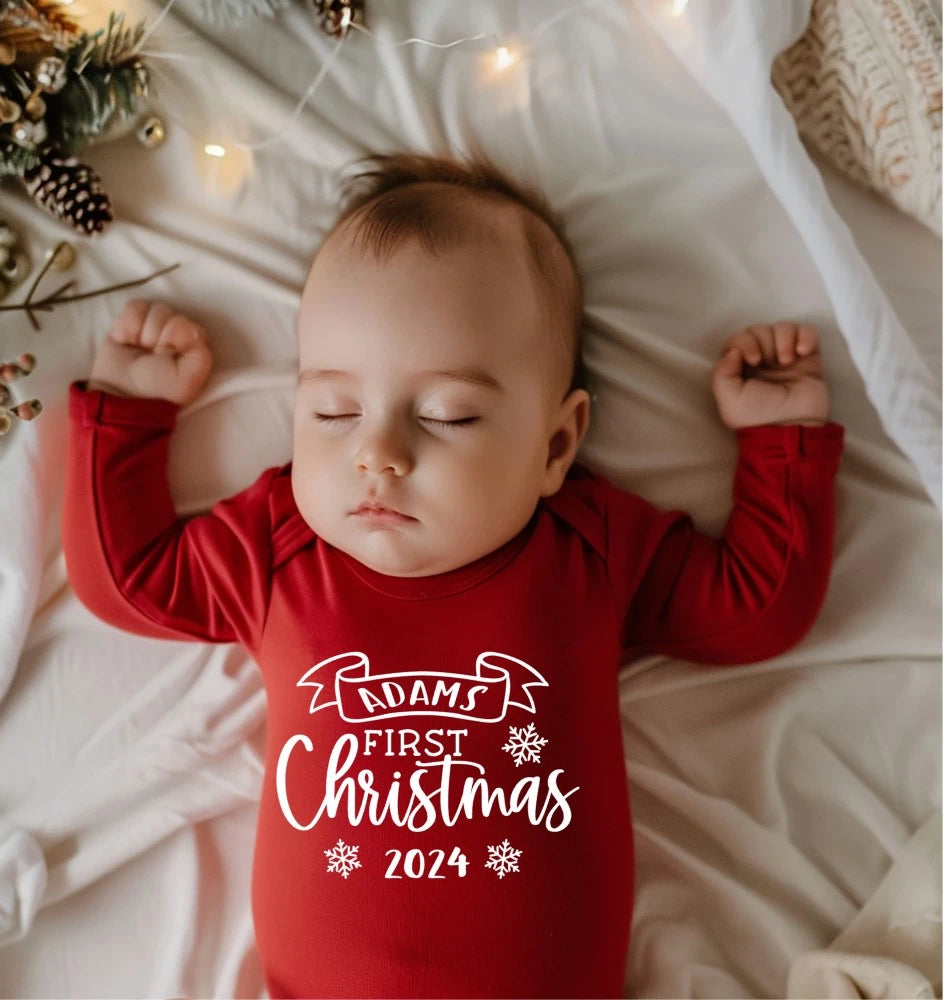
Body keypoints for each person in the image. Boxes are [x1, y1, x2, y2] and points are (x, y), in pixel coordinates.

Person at [63, 151, 845, 999]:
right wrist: (126, 418)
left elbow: (755, 607)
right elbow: (124, 578)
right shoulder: (277, 548)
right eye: (333, 411)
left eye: (447, 415)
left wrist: (781, 446)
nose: (378, 454)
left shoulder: (589, 549)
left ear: (554, 446)